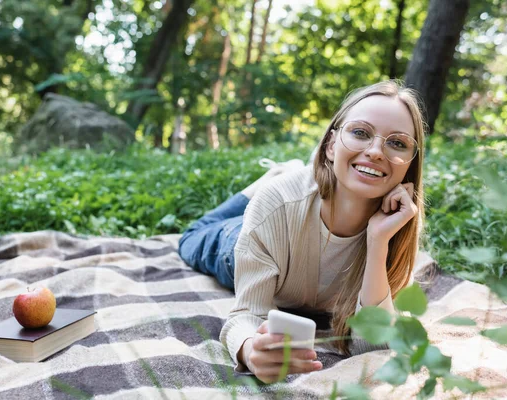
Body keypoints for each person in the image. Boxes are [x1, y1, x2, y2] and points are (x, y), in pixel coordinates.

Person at [178, 80, 425, 384]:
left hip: (289, 225)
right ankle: (265, 182)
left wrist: (377, 243)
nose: (376, 151)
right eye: (360, 133)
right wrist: (248, 349)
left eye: (397, 143)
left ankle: (285, 173)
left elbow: (376, 343)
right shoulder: (276, 204)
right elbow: (246, 314)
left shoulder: (397, 226)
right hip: (244, 243)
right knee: (191, 237)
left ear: (409, 165)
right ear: (332, 145)